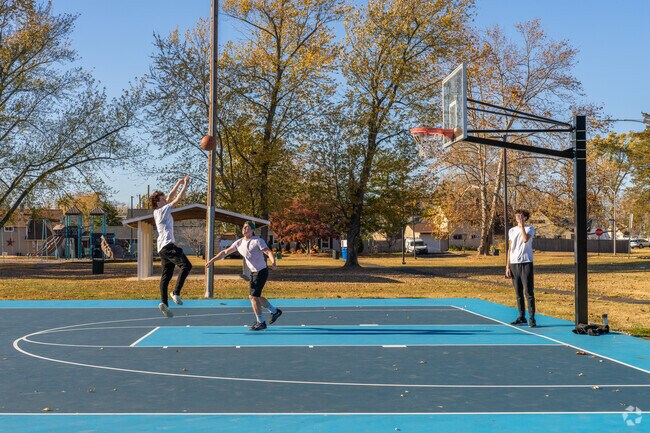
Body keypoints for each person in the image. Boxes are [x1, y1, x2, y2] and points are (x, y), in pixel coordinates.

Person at [205, 221, 281, 331]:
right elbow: (225, 252)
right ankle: (274, 311)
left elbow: (268, 252)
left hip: (261, 271)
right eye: (244, 227)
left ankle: (261, 322)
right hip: (253, 272)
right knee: (257, 297)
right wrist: (212, 260)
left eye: (247, 227)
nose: (245, 229)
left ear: (253, 230)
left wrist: (273, 262)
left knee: (253, 297)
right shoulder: (239, 242)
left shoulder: (257, 241)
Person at [150, 175, 192, 318]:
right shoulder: (163, 210)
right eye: (162, 199)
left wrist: (177, 183)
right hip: (168, 246)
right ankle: (175, 292)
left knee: (166, 276)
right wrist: (185, 185)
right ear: (157, 202)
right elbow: (177, 199)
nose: (165, 199)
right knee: (186, 265)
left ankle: (164, 303)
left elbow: (170, 196)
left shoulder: (157, 211)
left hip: (162, 249)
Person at [505, 209, 536, 327]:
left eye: (521, 216)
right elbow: (510, 248)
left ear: (525, 217)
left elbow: (525, 239)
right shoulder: (511, 230)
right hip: (514, 264)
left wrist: (522, 226)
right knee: (518, 293)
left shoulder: (530, 229)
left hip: (526, 262)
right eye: (517, 216)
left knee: (528, 292)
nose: (518, 217)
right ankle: (522, 316)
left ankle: (532, 318)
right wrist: (507, 266)